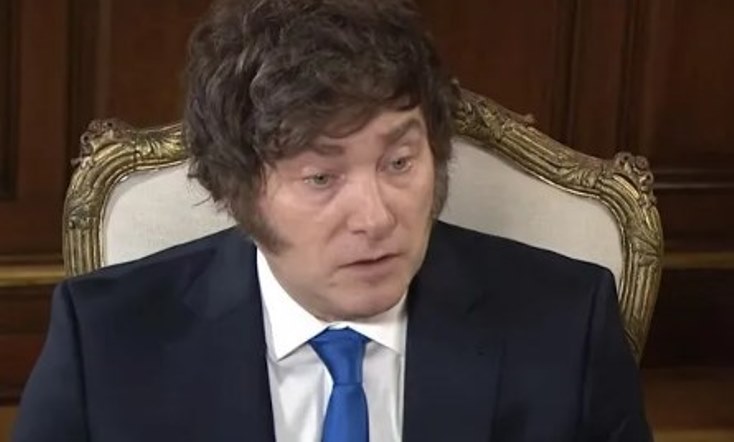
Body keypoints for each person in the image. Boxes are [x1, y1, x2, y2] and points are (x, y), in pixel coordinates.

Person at [13, 0, 651, 440]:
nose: (375, 218)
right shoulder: (107, 342)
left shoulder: (565, 325)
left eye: (399, 162)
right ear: (238, 190)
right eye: (321, 177)